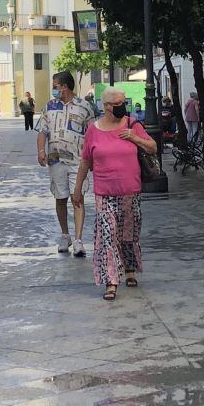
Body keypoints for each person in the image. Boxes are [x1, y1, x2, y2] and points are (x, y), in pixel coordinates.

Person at [73, 87, 157, 301]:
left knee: (129, 235)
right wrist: (78, 188)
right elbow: (85, 160)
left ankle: (130, 269)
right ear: (106, 106)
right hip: (104, 193)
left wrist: (134, 138)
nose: (123, 106)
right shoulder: (93, 130)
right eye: (118, 103)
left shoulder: (132, 125)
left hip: (131, 190)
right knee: (108, 237)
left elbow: (153, 147)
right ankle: (111, 280)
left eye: (123, 102)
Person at [36, 71, 94, 257]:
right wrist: (41, 151)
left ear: (65, 87)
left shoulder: (85, 107)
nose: (53, 89)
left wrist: (93, 157)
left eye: (55, 86)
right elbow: (42, 131)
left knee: (77, 197)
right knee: (60, 197)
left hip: (78, 160)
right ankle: (65, 235)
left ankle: (78, 240)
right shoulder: (49, 107)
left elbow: (92, 134)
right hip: (55, 159)